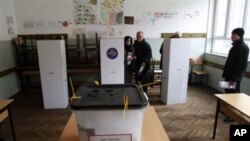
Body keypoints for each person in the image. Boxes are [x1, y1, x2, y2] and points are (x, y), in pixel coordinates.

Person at [222, 28, 249, 122]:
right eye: (231, 34)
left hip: (233, 77)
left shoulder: (243, 47)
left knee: (233, 95)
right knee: (228, 94)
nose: (231, 37)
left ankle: (233, 116)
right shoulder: (236, 46)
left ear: (239, 36)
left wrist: (234, 79)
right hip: (228, 75)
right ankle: (227, 111)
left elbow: (241, 66)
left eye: (233, 35)